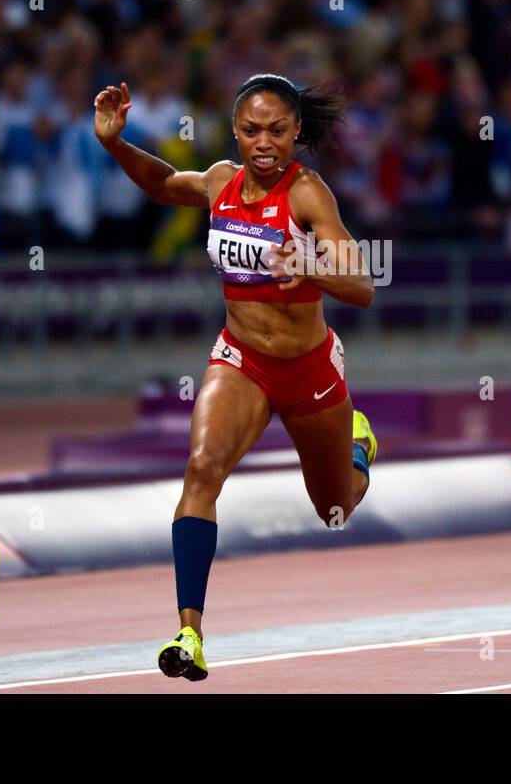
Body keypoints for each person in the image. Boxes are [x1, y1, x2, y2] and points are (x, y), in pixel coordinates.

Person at [93, 73, 377, 681]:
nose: (264, 142)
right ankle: (189, 633)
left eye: (277, 130)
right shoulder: (223, 182)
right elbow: (165, 185)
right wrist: (116, 144)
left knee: (335, 509)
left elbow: (362, 286)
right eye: (251, 130)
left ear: (298, 131)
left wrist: (311, 267)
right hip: (241, 360)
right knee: (202, 468)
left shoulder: (309, 196)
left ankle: (358, 445)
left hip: (310, 371)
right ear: (235, 132)